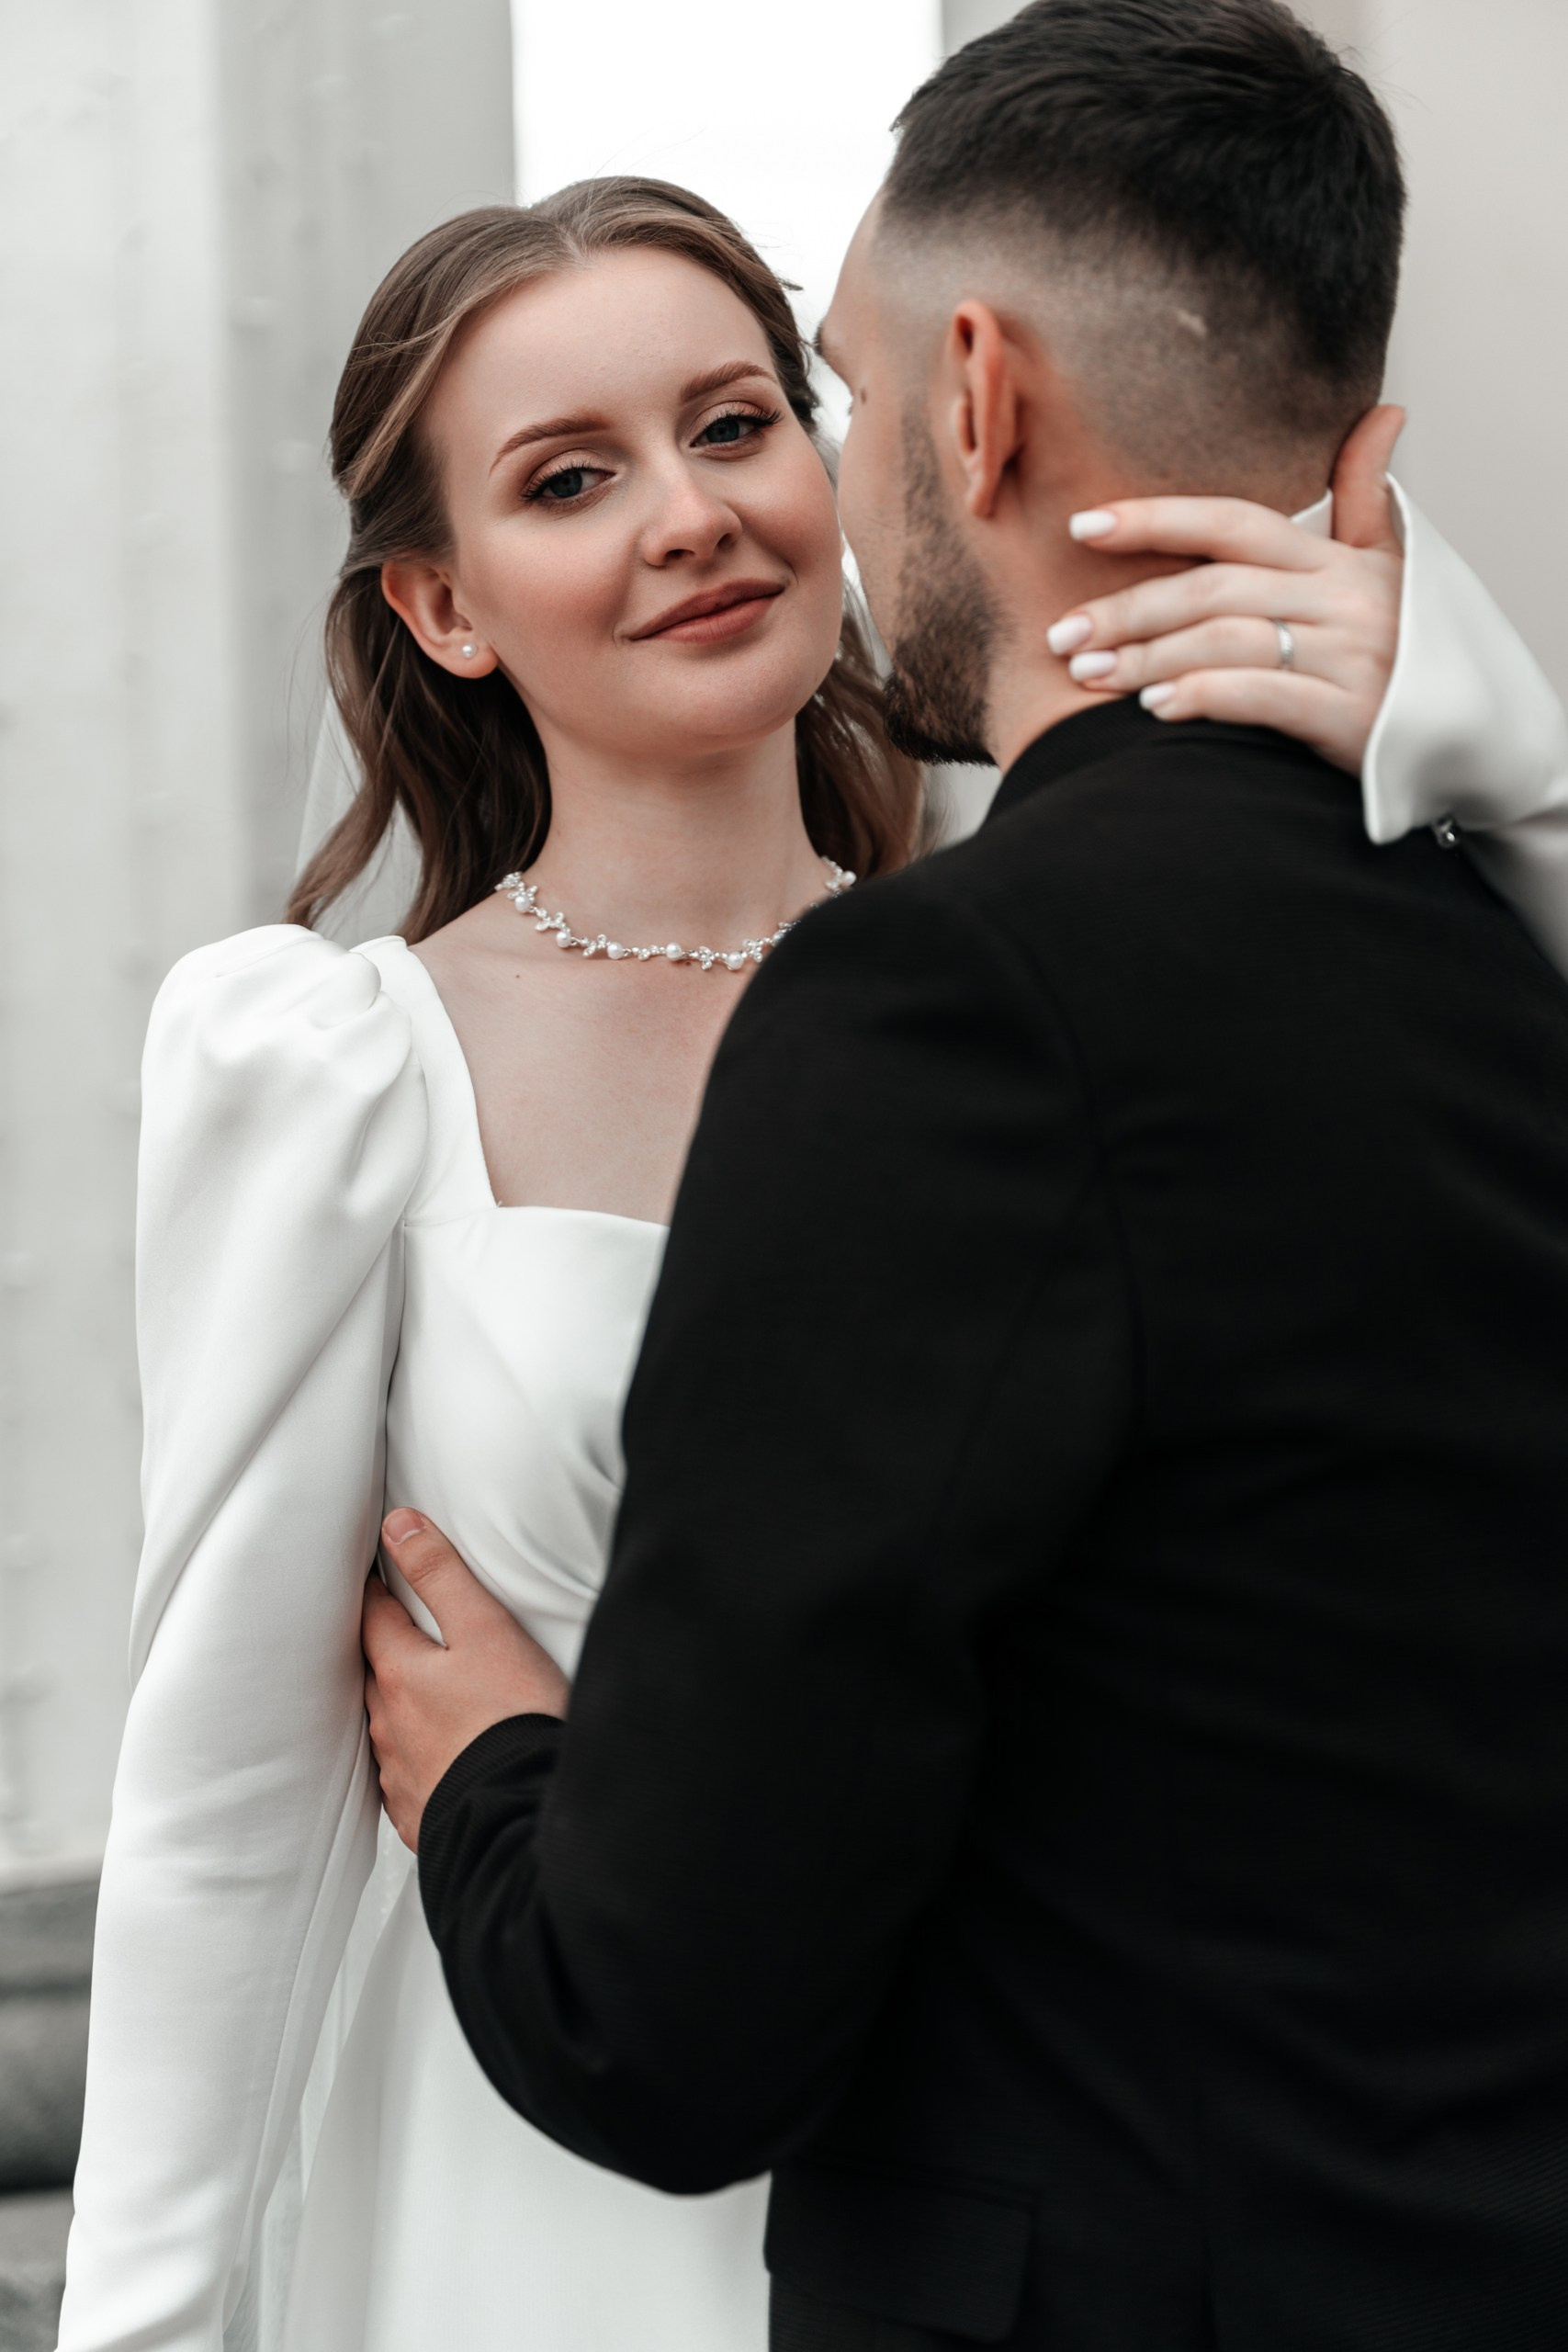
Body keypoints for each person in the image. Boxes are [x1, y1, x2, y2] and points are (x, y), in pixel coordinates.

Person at [58, 53, 1564, 2352]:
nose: (691, 513)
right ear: (443, 606)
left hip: (966, 2157)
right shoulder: (333, 1063)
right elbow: (218, 1816)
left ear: (894, 436)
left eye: (743, 418)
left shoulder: (1046, 995)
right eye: (571, 478)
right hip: (527, 2173)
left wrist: (1475, 742)